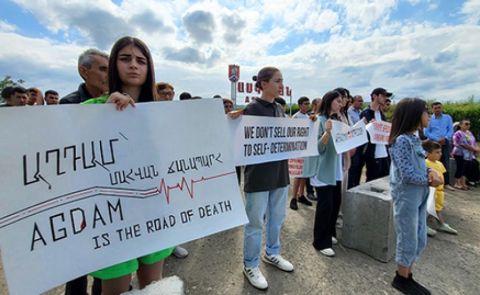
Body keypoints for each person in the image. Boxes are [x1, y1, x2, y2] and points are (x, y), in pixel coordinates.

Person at [82, 36, 174, 295]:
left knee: (154, 286)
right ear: (113, 64)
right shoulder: (88, 110)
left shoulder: (162, 113)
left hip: (155, 208)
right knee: (115, 289)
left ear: (149, 68)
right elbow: (79, 163)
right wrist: (105, 119)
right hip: (111, 216)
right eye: (125, 59)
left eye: (141, 60)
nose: (133, 65)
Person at [240, 66, 293, 290]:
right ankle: (250, 263)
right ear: (262, 84)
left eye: (282, 80)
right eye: (277, 80)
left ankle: (272, 253)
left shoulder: (280, 109)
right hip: (259, 176)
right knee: (254, 223)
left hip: (280, 174)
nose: (281, 84)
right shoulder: (251, 109)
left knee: (276, 218)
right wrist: (233, 119)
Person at [389, 97, 442, 295]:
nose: (428, 115)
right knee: (408, 236)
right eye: (425, 111)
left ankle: (408, 275)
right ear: (414, 115)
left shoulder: (414, 138)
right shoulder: (402, 140)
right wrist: (429, 180)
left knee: (419, 236)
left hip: (419, 194)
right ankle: (401, 277)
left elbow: (418, 166)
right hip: (407, 195)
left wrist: (429, 172)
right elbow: (406, 173)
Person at [303, 90, 343, 257]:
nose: (341, 104)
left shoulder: (336, 120)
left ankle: (329, 234)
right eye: (338, 101)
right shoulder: (320, 120)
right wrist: (327, 133)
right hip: (322, 169)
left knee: (334, 204)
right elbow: (318, 148)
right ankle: (320, 241)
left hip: (334, 168)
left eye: (342, 101)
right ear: (330, 101)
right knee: (325, 206)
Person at [422, 140, 457, 236]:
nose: (440, 154)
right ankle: (423, 226)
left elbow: (442, 176)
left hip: (439, 192)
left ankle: (441, 224)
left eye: (440, 152)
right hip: (431, 191)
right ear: (428, 153)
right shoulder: (425, 163)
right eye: (437, 152)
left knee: (438, 209)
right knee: (426, 210)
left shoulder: (439, 164)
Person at [360, 87, 392, 182]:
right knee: (372, 181)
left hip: (384, 153)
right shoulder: (365, 113)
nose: (385, 98)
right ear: (374, 96)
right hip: (373, 153)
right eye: (383, 95)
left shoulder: (381, 115)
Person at [290, 96, 313, 210]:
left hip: (307, 148)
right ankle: (293, 197)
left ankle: (301, 195)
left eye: (308, 103)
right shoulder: (296, 117)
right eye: (305, 103)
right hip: (299, 149)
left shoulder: (309, 116)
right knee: (298, 174)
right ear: (299, 105)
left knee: (305, 173)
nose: (307, 105)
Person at [424, 102, 453, 187]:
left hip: (445, 142)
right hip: (433, 143)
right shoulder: (429, 119)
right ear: (432, 109)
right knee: (433, 161)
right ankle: (432, 180)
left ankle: (446, 183)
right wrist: (437, 139)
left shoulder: (447, 118)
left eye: (439, 107)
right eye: (435, 108)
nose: (437, 109)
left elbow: (450, 130)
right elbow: (426, 132)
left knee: (445, 162)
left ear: (442, 108)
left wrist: (446, 138)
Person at [452, 119, 480, 190]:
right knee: (460, 168)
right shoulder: (458, 133)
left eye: (469, 124)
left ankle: (463, 183)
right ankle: (457, 183)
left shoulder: (469, 133)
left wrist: (476, 149)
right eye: (466, 124)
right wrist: (473, 149)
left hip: (469, 154)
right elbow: (460, 143)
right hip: (460, 153)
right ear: (461, 125)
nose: (468, 125)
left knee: (467, 169)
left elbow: (474, 142)